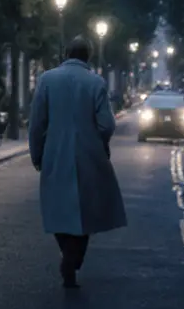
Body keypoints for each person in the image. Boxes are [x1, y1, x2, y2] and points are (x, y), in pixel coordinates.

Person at [28, 35, 128, 289]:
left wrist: (36, 153)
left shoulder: (47, 80)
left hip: (54, 152)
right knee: (86, 211)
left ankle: (67, 256)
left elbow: (37, 123)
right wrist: (98, 140)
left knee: (58, 210)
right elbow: (107, 124)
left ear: (66, 54)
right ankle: (73, 260)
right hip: (89, 153)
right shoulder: (95, 82)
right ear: (88, 57)